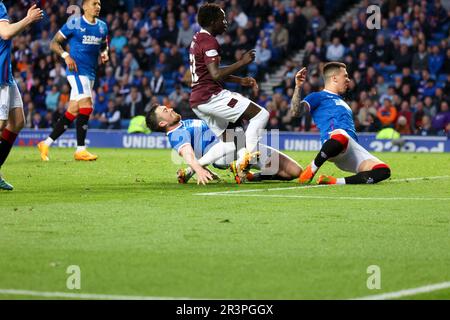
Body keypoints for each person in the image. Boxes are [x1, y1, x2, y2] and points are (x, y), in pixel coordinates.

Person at [189, 3, 269, 183]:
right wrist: (242, 62)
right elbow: (215, 74)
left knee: (230, 140)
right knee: (261, 114)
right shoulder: (210, 41)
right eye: (222, 19)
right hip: (211, 96)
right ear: (212, 21)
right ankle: (244, 161)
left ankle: (191, 170)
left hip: (198, 100)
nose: (226, 22)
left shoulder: (198, 38)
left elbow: (211, 70)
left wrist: (239, 80)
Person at [146, 105, 302, 185]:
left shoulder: (184, 123)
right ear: (162, 123)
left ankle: (249, 175)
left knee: (294, 172)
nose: (170, 108)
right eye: (165, 110)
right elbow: (187, 153)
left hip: (242, 146)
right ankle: (240, 164)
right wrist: (196, 169)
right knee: (240, 132)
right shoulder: (176, 135)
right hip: (227, 154)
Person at [290, 63, 391, 185]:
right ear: (334, 78)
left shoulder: (343, 102)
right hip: (333, 144)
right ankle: (312, 168)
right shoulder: (318, 96)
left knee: (383, 171)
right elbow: (296, 112)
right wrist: (298, 87)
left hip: (352, 148)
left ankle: (334, 181)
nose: (348, 79)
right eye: (346, 76)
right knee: (341, 134)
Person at [37, 0, 109, 161]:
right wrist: (66, 56)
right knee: (87, 106)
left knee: (73, 111)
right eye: (94, 3)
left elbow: (104, 44)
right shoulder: (74, 23)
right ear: (84, 6)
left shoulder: (103, 26)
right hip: (76, 71)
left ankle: (46, 143)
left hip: (90, 73)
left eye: (99, 4)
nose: (98, 6)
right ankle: (80, 149)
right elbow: (54, 43)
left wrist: (105, 53)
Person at [0, 2, 43, 190]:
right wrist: (28, 19)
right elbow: (6, 33)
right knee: (0, 124)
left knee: (17, 121)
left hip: (5, 74)